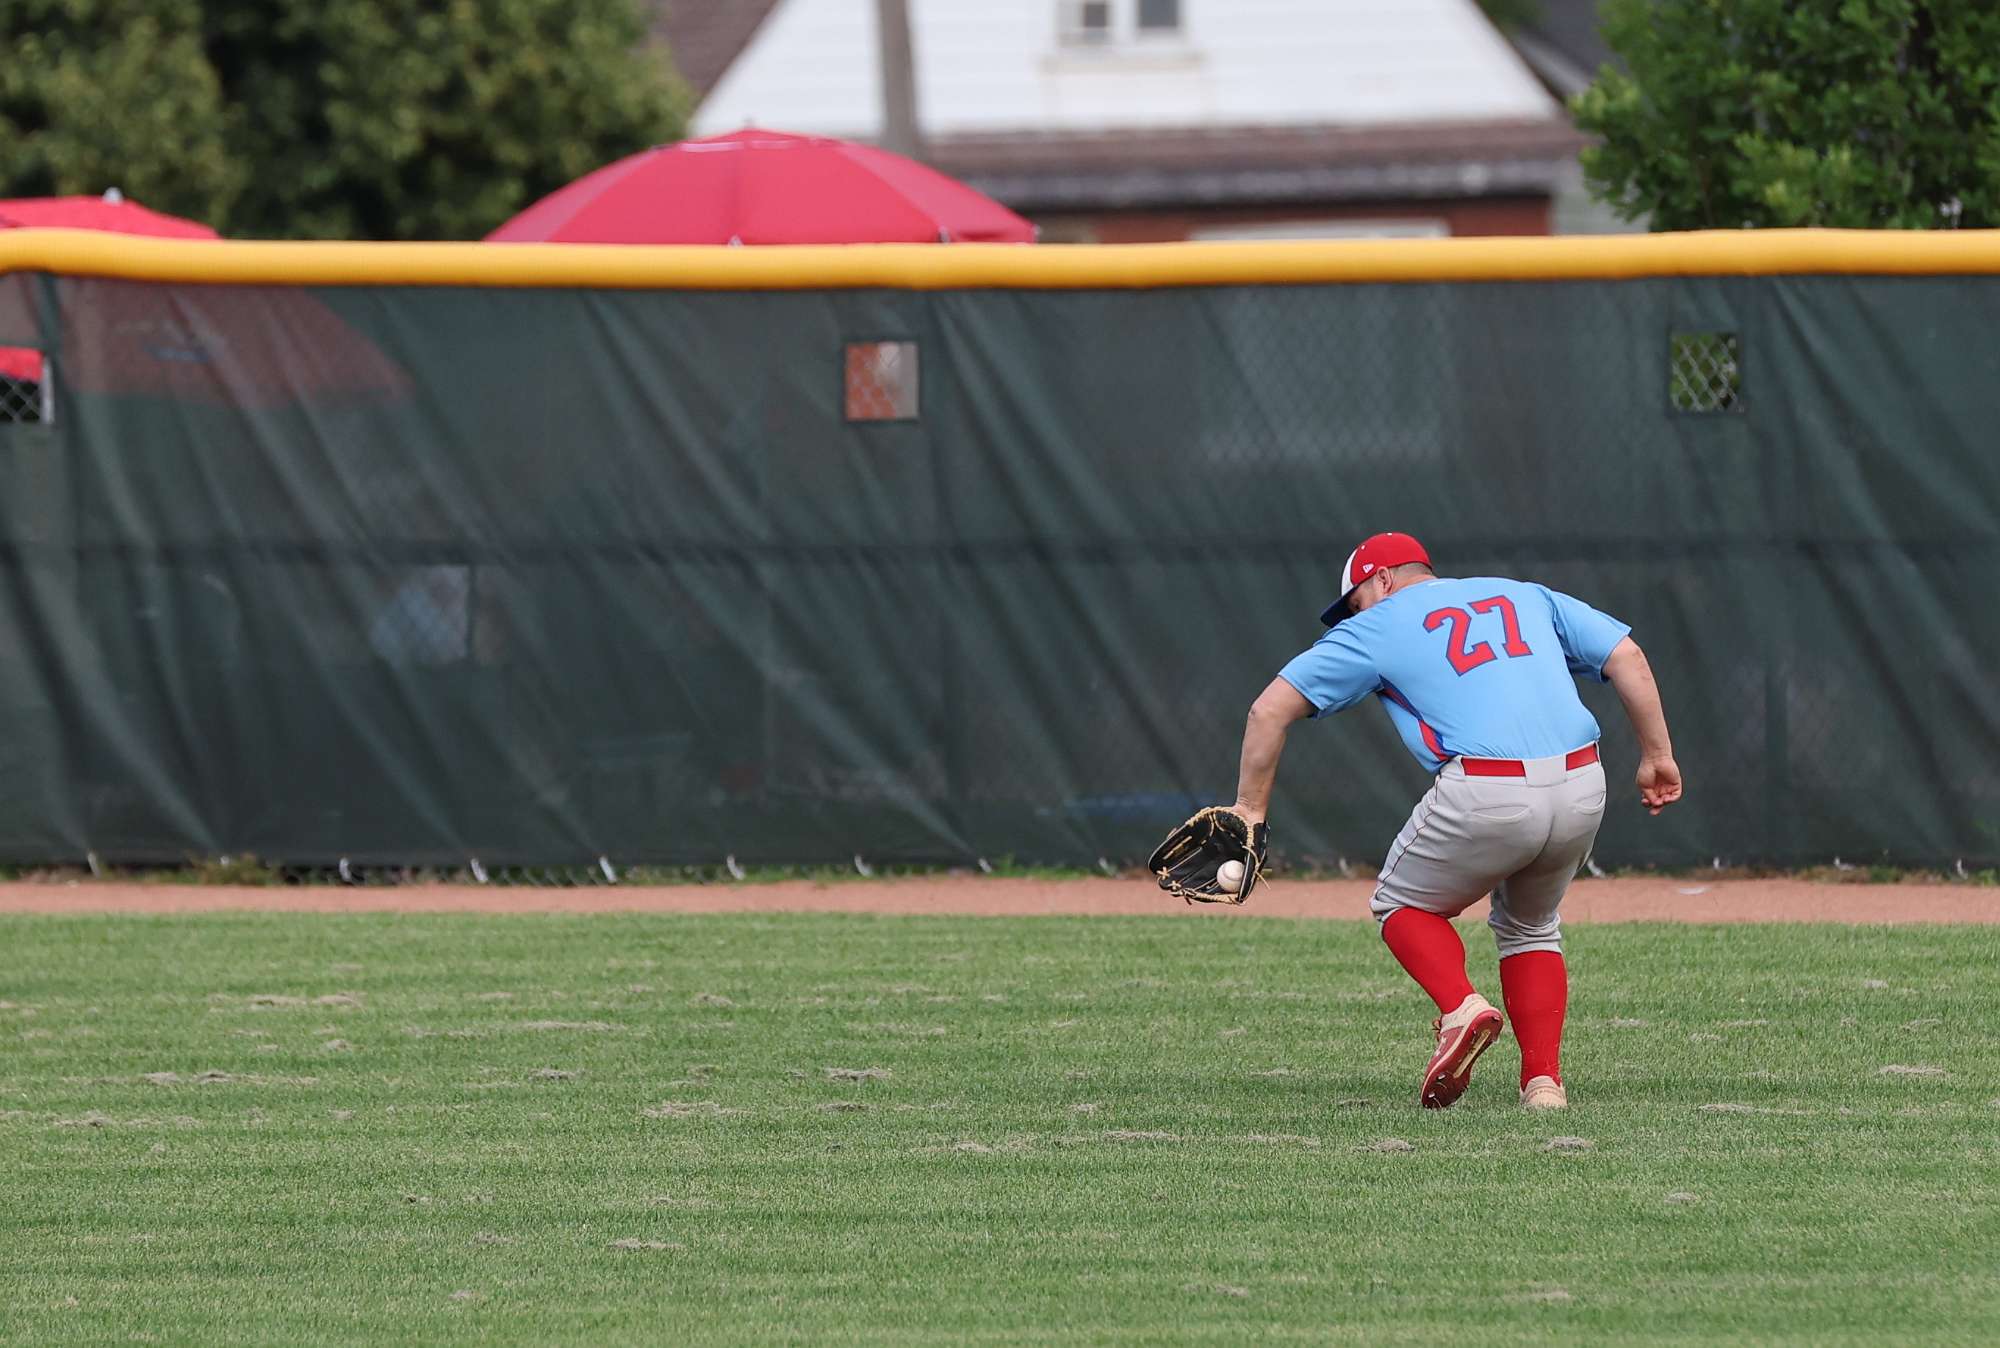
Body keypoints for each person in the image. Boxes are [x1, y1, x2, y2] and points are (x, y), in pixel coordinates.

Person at [1232, 532, 1682, 1110]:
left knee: (1401, 906)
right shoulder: (1524, 594)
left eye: (1355, 601)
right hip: (1582, 782)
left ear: (1383, 580)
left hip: (1488, 788)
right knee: (1532, 927)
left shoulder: (1378, 623)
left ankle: (1461, 1008)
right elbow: (1627, 656)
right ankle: (1543, 1085)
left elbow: (1267, 710)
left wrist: (1250, 810)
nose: (1355, 615)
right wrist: (1656, 755)